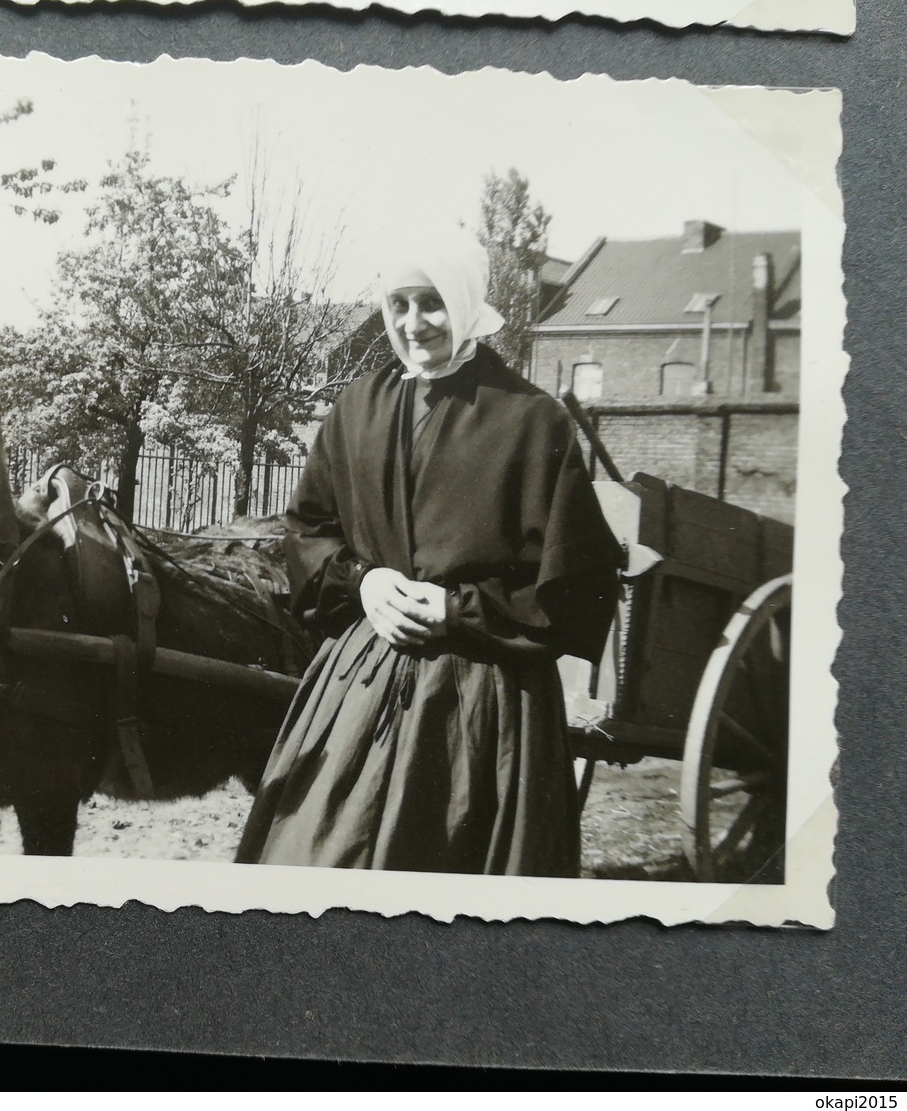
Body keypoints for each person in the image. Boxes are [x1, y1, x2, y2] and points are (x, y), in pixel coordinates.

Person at [235, 230, 623, 877]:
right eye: (399, 304)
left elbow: (577, 585)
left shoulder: (532, 421)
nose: (414, 323)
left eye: (432, 302)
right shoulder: (356, 408)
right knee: (312, 855)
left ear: (466, 300)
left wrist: (455, 608)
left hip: (481, 695)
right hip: (362, 677)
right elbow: (306, 528)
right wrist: (362, 584)